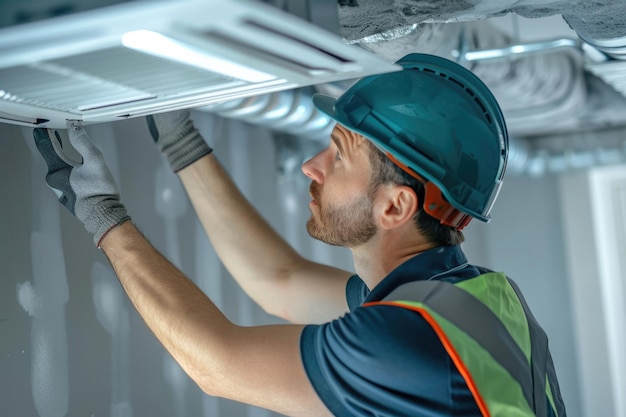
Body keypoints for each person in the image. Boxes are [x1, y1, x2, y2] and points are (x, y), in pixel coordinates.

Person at [33, 53, 566, 417]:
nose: (312, 165)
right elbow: (278, 281)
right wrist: (179, 140)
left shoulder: (407, 340)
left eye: (340, 154)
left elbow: (218, 366)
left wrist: (97, 208)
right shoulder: (465, 301)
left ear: (395, 205)